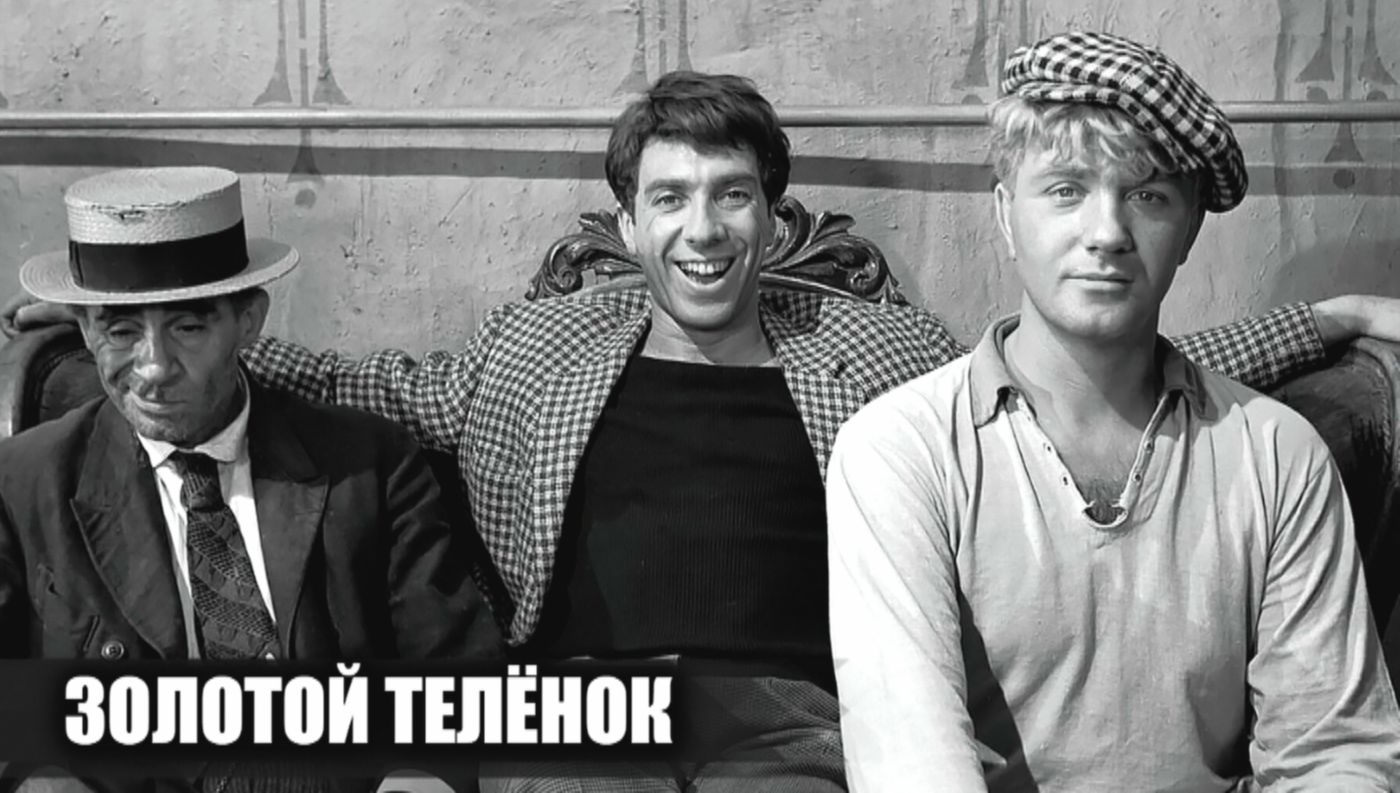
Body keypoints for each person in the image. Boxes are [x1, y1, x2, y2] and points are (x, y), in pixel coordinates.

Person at [5, 73, 1400, 792]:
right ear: (626, 225)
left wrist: (1324, 317)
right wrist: (130, 325)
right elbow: (362, 384)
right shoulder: (539, 348)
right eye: (669, 199)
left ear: (774, 218)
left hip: (788, 725)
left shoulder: (874, 352)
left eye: (732, 195)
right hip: (573, 716)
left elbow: (1092, 359)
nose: (704, 230)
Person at [827, 31, 1400, 792]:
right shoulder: (901, 450)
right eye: (1066, 190)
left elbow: (1334, 750)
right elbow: (913, 764)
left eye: (1147, 195)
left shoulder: (1278, 454)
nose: (1106, 234)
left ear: (1190, 229)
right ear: (1006, 216)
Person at [0, 167, 504, 792]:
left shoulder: (370, 467)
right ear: (84, 329)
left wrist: (419, 778)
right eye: (120, 330)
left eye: (187, 327)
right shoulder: (24, 484)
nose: (153, 368)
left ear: (249, 321)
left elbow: (456, 687)